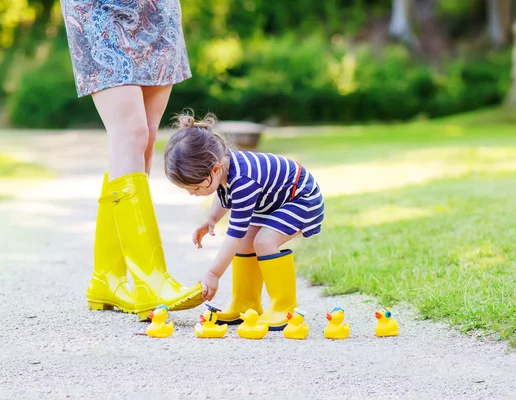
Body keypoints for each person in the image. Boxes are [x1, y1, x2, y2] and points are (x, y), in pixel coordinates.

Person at [60, 0, 203, 321]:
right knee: (131, 133)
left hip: (155, 11)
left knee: (146, 140)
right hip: (100, 9)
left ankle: (107, 278)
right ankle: (152, 279)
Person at [164, 113, 325, 330]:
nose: (193, 194)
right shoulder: (224, 167)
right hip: (274, 202)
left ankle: (284, 307)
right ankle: (245, 304)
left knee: (263, 242)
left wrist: (213, 273)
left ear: (214, 169)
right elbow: (223, 195)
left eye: (196, 187)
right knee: (248, 241)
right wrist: (211, 219)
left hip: (301, 198)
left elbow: (234, 234)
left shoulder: (243, 180)